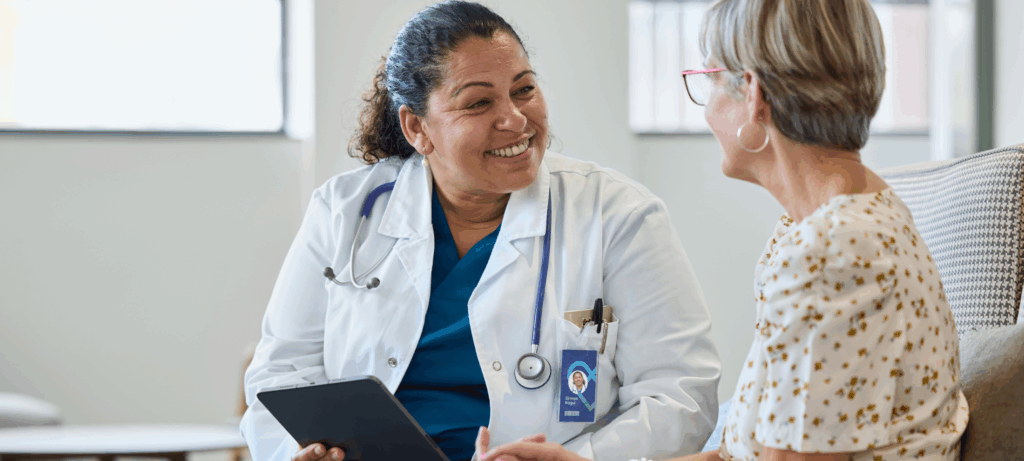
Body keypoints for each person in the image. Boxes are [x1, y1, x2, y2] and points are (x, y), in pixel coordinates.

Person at [477, 0, 970, 460]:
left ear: (753, 97)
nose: (707, 104)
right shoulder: (837, 218)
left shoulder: (832, 252)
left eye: (709, 78)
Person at [239, 2, 721, 461]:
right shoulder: (343, 212)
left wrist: (579, 459)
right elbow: (281, 376)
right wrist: (296, 452)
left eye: (524, 89)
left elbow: (680, 395)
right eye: (478, 103)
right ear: (416, 128)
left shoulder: (619, 216)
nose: (514, 118)